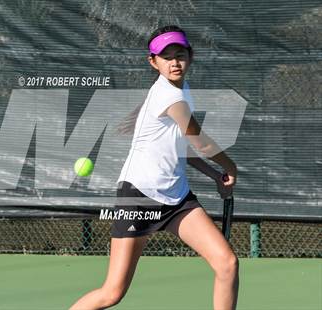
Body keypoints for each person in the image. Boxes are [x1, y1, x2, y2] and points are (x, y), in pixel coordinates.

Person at [70, 25, 239, 310]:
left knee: (227, 263)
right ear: (153, 61)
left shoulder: (181, 89)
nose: (174, 62)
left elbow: (178, 147)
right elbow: (202, 144)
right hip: (138, 195)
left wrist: (213, 174)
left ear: (190, 56)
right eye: (166, 57)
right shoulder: (169, 96)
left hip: (177, 199)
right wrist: (230, 167)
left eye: (180, 55)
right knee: (112, 293)